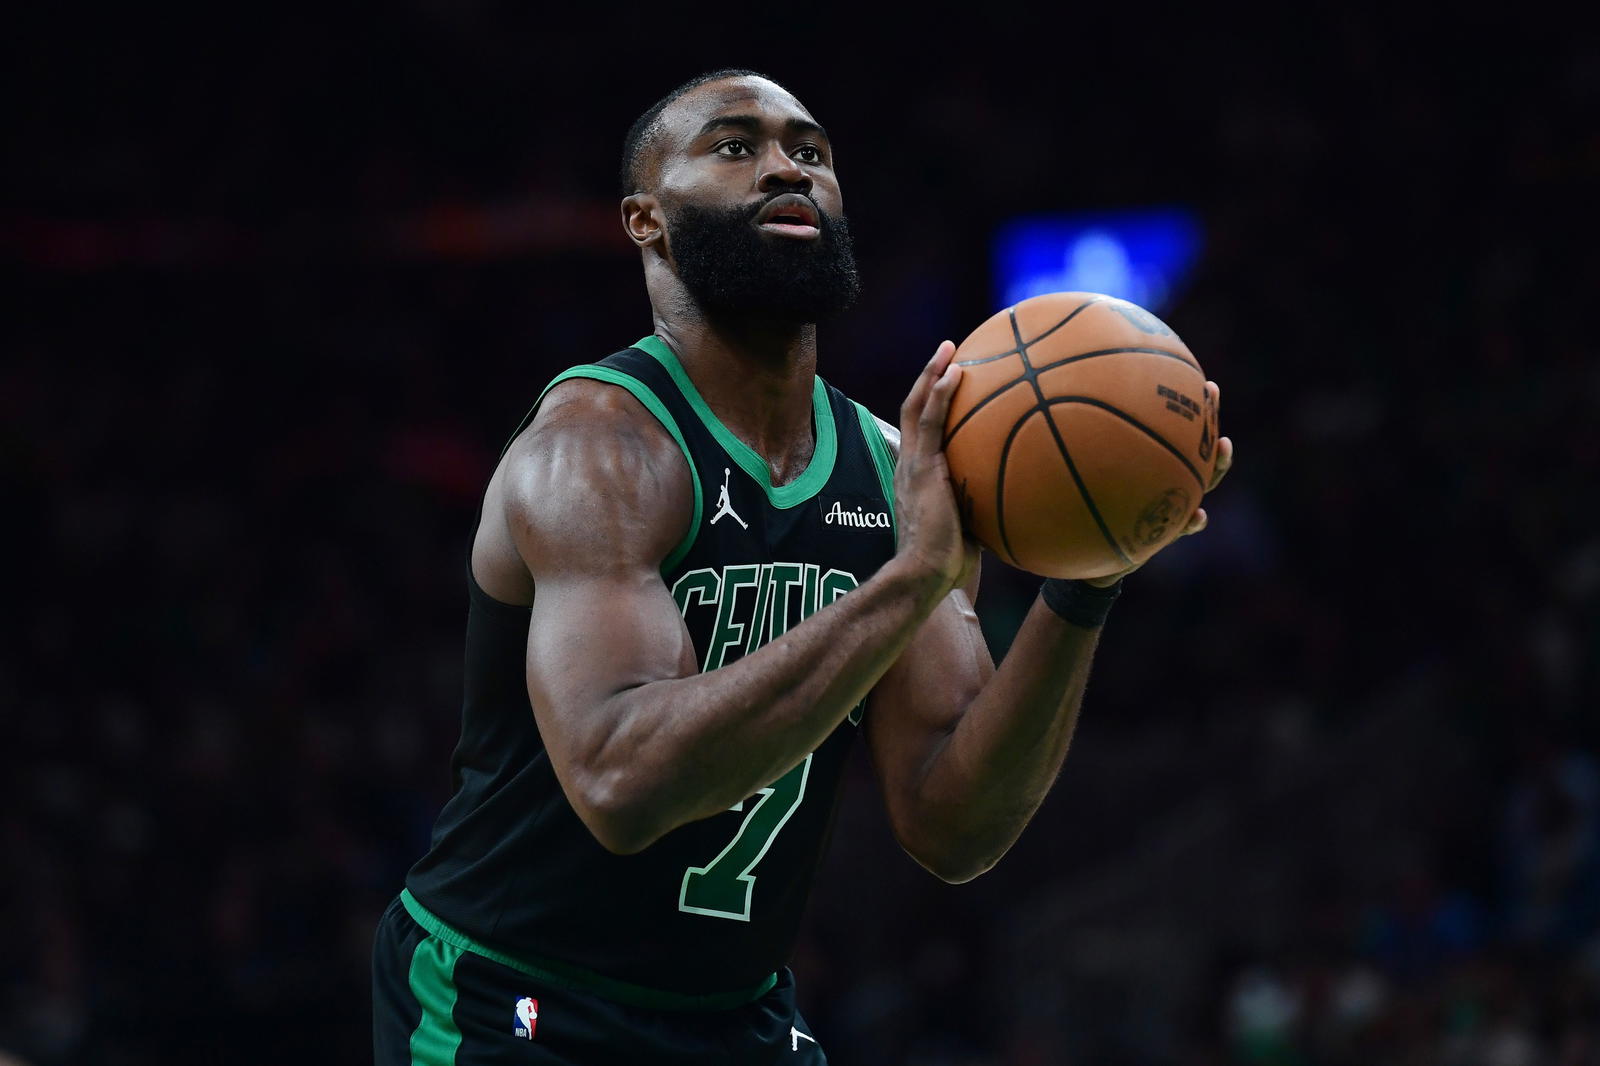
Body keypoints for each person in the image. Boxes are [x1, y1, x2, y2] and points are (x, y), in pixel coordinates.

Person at [371, 68, 1232, 1065]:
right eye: (735, 147)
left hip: (735, 1015)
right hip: (512, 997)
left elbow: (953, 823)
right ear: (646, 221)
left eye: (810, 151)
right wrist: (910, 582)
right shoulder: (599, 447)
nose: (787, 166)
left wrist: (1087, 583)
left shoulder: (887, 466)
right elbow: (619, 780)